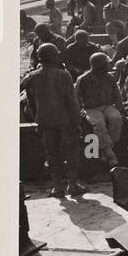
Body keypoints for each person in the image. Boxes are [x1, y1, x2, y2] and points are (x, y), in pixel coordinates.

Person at [21, 42, 85, 197]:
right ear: (55, 56)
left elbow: (30, 103)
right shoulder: (64, 75)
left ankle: (57, 187)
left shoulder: (31, 77)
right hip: (65, 122)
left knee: (51, 154)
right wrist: (77, 122)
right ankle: (72, 184)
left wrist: (39, 120)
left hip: (45, 122)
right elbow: (72, 101)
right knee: (71, 153)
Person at [75, 52, 124, 168]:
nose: (109, 66)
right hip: (90, 108)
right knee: (98, 123)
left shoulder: (109, 78)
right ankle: (110, 154)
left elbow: (117, 95)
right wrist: (78, 112)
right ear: (100, 65)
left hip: (107, 106)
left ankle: (105, 148)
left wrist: (120, 108)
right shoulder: (83, 79)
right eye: (106, 64)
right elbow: (75, 97)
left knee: (116, 118)